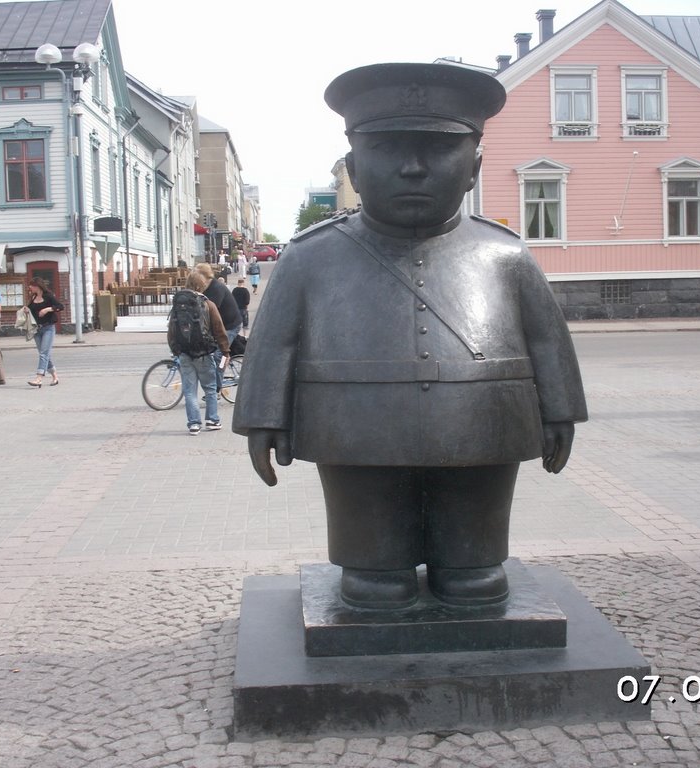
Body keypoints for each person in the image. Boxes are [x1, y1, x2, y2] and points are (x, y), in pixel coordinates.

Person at [234, 63, 586, 610]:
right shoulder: (310, 257)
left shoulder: (506, 255)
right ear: (353, 165)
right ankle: (377, 562)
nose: (414, 169)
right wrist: (261, 416)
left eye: (436, 150)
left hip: (481, 426)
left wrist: (560, 409)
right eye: (389, 150)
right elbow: (274, 341)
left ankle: (468, 557)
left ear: (474, 166)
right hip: (355, 431)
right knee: (376, 583)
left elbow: (546, 339)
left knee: (475, 578)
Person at [168, 272, 230, 435]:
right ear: (202, 285)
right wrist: (225, 351)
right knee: (210, 388)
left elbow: (171, 330)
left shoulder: (178, 305)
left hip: (185, 353)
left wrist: (176, 350)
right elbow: (219, 330)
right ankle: (212, 420)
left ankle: (194, 424)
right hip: (204, 352)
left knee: (189, 390)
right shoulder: (208, 304)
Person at [194, 262, 242, 392]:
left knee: (219, 356)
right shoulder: (205, 288)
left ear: (204, 276)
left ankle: (217, 389)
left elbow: (210, 313)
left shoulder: (217, 288)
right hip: (221, 325)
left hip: (231, 325)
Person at [25, 277, 64, 387]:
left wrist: (47, 309)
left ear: (37, 286)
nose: (30, 287)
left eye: (32, 286)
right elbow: (30, 309)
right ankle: (55, 376)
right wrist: (26, 310)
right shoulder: (33, 297)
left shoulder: (48, 296)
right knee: (45, 354)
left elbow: (60, 306)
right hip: (37, 329)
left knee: (43, 354)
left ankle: (39, 378)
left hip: (48, 328)